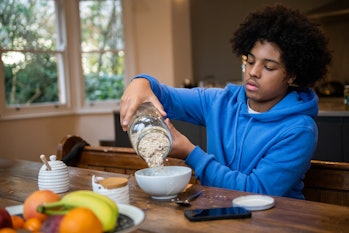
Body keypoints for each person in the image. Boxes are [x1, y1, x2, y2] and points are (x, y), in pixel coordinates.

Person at [120, 4, 332, 199]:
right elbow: (165, 96)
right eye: (249, 61)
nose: (253, 72)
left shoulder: (299, 129)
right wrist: (141, 82)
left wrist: (191, 153)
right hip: (219, 214)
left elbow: (255, 191)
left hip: (274, 222)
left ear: (292, 75)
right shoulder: (220, 102)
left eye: (268, 67)